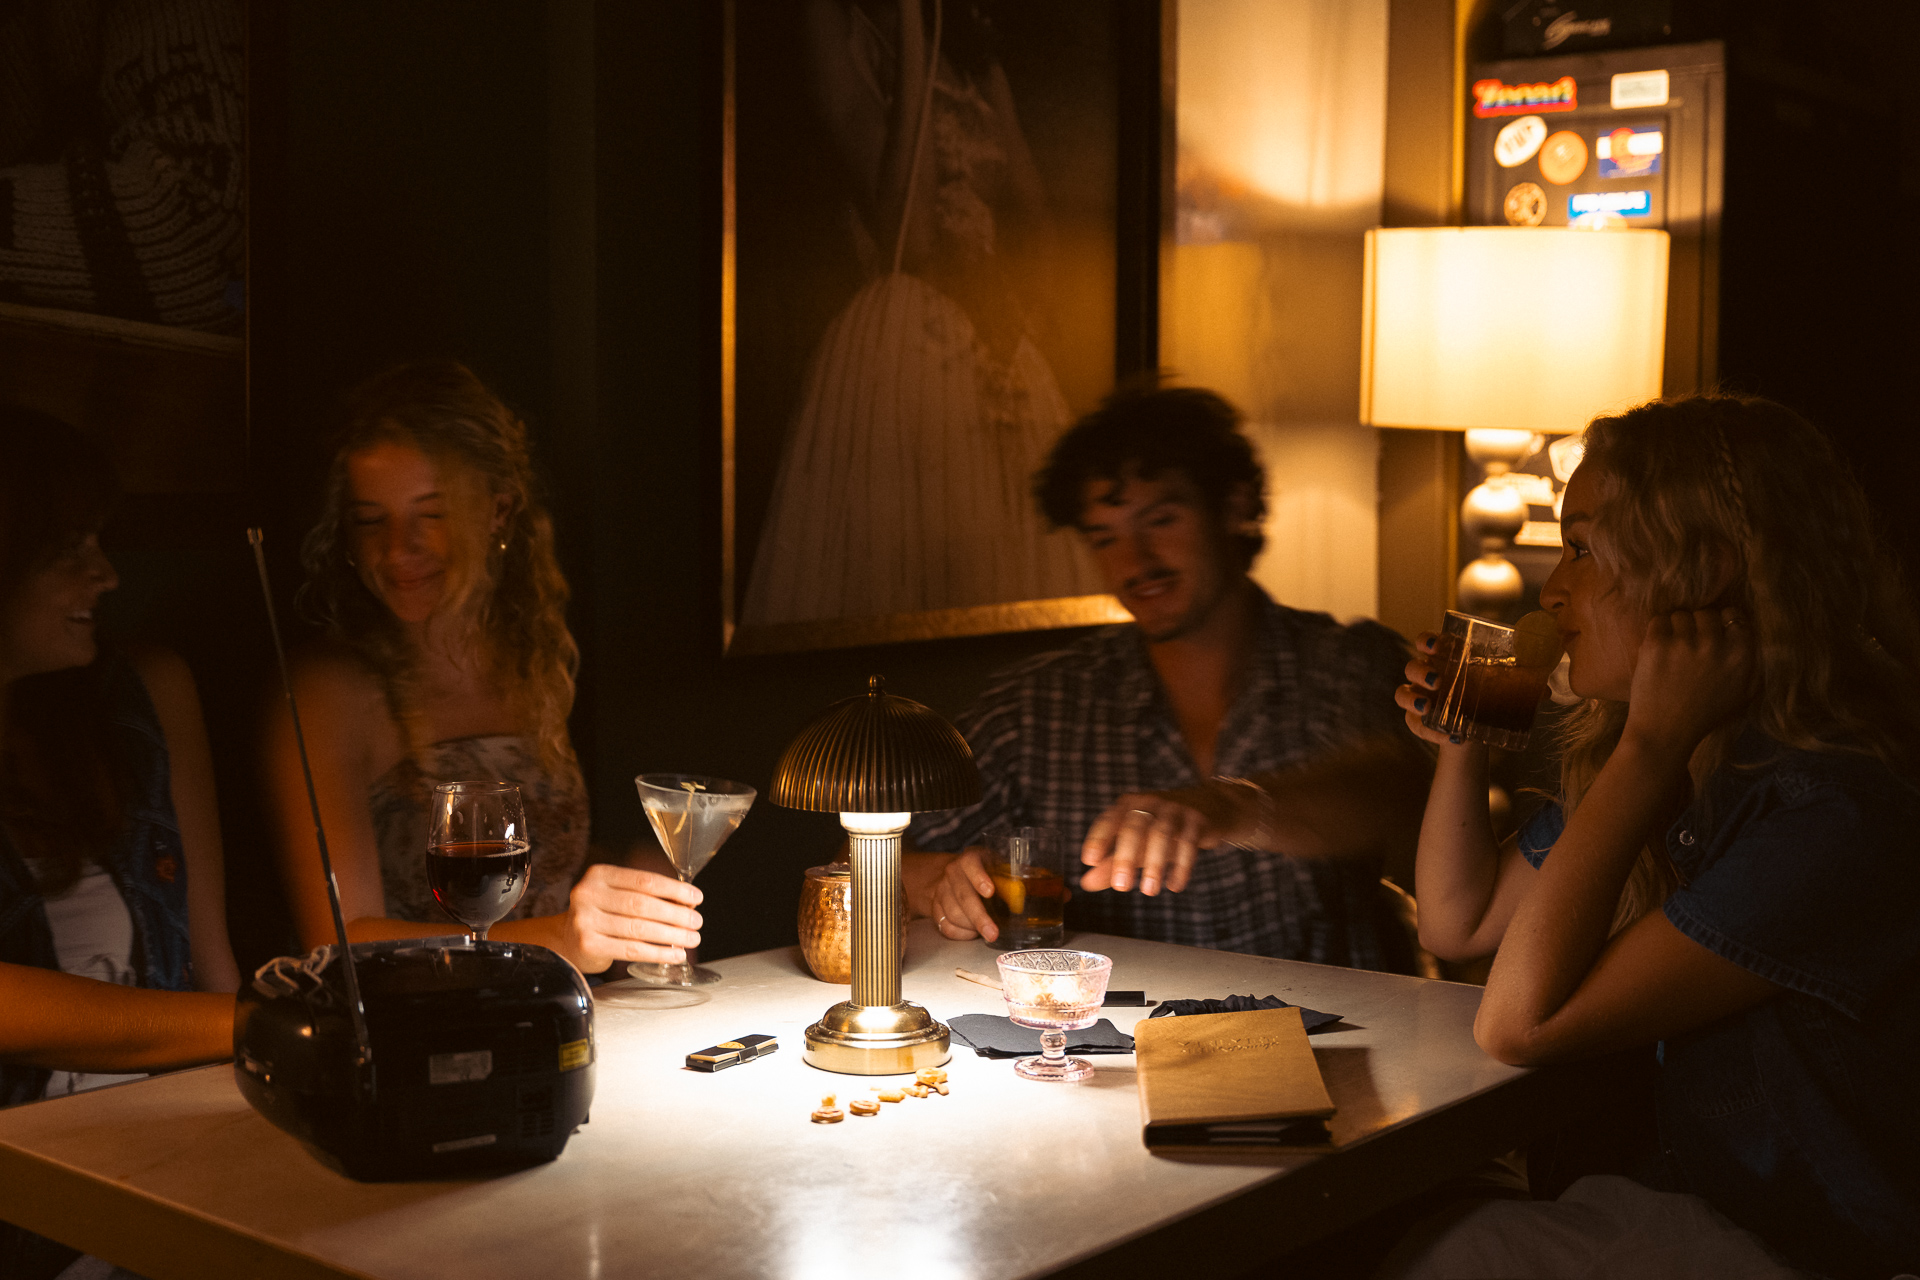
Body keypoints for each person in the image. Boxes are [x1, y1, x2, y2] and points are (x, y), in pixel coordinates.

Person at [1383, 396, 1920, 1278]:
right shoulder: (1673, 760)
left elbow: (1517, 1026)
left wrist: (1649, 748)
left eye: (1584, 550)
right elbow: (1456, 922)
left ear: (1703, 571)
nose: (1551, 591)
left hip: (1819, 1250)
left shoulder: (1834, 815)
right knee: (1431, 1241)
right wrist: (1462, 744)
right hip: (1698, 1208)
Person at [905, 385, 1432, 969]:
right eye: (1104, 538)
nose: (1134, 561)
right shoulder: (1036, 707)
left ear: (1233, 507)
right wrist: (942, 882)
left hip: (1346, 1020)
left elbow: (1396, 789)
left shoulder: (1346, 663)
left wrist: (1229, 807)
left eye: (1160, 520)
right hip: (1112, 1023)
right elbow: (869, 860)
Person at [266, 362, 700, 975]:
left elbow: (542, 876)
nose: (397, 547)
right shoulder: (327, 692)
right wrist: (560, 941)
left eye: (431, 514)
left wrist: (632, 891)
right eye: (370, 519)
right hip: (420, 1021)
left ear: (499, 511)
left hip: (560, 1009)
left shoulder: (533, 659)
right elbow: (341, 946)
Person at [741, 0, 1101, 626]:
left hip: (994, 338)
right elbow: (907, 231)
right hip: (904, 338)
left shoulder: (979, 68)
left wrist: (1018, 306)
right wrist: (913, 31)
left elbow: (1038, 224)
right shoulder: (839, 33)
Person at [0, 408, 238, 1277]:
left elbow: (212, 965)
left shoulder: (142, 698)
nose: (105, 574)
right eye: (69, 547)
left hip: (159, 1184)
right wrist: (260, 1024)